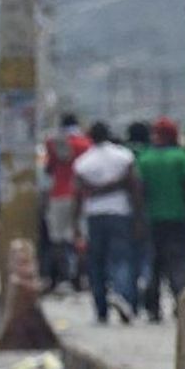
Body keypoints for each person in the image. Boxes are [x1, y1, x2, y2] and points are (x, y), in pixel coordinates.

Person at [73, 121, 145, 324]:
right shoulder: (124, 157)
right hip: (120, 213)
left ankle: (101, 309)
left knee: (96, 263)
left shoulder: (83, 162)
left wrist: (76, 226)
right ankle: (124, 298)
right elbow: (135, 188)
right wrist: (139, 218)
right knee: (122, 260)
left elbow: (78, 195)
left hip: (94, 215)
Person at [136, 116, 185, 322]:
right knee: (178, 263)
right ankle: (181, 303)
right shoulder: (181, 157)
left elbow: (140, 191)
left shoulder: (145, 158)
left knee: (154, 264)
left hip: (153, 218)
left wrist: (139, 218)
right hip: (179, 218)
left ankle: (153, 308)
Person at [44, 113, 92, 291]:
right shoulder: (86, 143)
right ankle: (80, 277)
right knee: (80, 237)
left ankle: (62, 277)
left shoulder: (53, 142)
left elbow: (49, 170)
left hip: (58, 195)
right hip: (81, 196)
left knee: (58, 238)